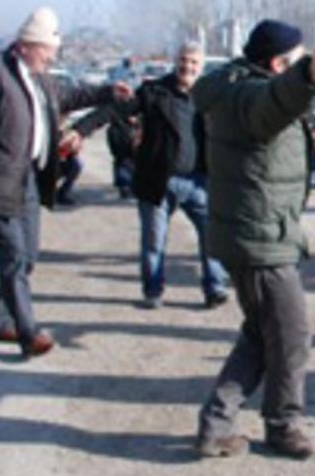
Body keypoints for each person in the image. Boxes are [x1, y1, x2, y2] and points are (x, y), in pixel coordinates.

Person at [193, 20, 315, 459]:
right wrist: (312, 75)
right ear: (279, 64)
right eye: (296, 59)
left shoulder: (234, 87)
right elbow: (276, 101)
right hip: (259, 239)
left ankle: (216, 425)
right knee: (291, 336)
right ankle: (282, 426)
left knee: (262, 333)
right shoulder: (249, 96)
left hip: (258, 232)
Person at [0, 7, 130, 355]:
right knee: (13, 256)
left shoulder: (40, 78)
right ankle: (29, 333)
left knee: (27, 256)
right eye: (47, 50)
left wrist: (107, 92)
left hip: (27, 178)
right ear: (26, 45)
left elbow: (71, 95)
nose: (52, 57)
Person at [75, 42, 229, 309]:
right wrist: (81, 129)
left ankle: (215, 287)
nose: (188, 66)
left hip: (199, 182)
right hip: (159, 179)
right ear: (175, 61)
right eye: (183, 60)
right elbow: (115, 111)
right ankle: (153, 290)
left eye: (194, 62)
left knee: (213, 238)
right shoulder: (154, 92)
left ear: (201, 66)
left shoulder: (209, 96)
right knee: (154, 241)